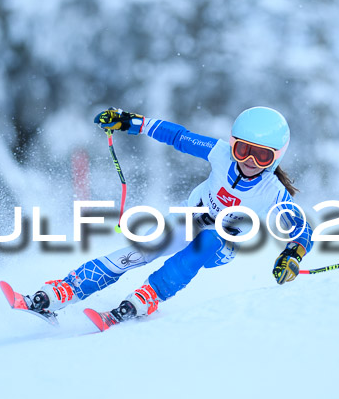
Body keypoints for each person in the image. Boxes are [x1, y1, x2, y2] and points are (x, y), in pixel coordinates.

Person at [27, 106, 313, 329]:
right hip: (193, 218)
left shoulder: (273, 192)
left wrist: (293, 253)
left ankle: (151, 295)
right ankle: (65, 290)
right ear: (233, 144)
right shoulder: (220, 154)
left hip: (221, 245)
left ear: (275, 158)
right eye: (243, 150)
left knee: (210, 239)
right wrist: (130, 122)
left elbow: (301, 230)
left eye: (261, 156)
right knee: (142, 250)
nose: (249, 161)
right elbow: (178, 136)